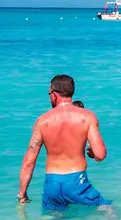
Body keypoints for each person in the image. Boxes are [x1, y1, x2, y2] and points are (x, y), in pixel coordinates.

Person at [18, 74, 110, 208]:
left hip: (52, 184)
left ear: (54, 95)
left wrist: (22, 194)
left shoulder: (42, 121)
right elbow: (100, 155)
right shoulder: (87, 117)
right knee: (107, 209)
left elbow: (29, 163)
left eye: (49, 93)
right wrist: (93, 153)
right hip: (77, 182)